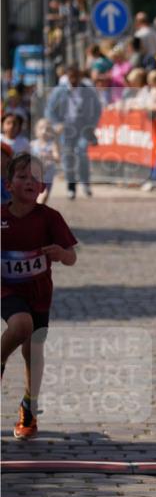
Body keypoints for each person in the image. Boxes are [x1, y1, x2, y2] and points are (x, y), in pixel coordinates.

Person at [1, 153, 78, 438]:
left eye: (35, 178)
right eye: (22, 177)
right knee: (21, 326)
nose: (29, 182)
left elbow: (71, 257)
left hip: (39, 293)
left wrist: (61, 254)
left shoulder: (50, 218)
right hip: (6, 289)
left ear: (43, 187)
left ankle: (29, 408)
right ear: (9, 185)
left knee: (33, 349)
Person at [45, 64, 101, 199]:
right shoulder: (59, 91)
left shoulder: (88, 91)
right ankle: (71, 186)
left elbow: (97, 108)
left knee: (82, 153)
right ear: (67, 76)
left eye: (76, 76)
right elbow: (50, 109)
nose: (74, 80)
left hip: (83, 128)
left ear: (80, 76)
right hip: (66, 129)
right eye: (71, 77)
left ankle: (85, 183)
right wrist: (56, 123)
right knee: (68, 158)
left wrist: (92, 125)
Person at [30, 119, 60, 204]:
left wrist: (50, 156)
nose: (44, 131)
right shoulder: (32, 144)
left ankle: (36, 214)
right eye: (41, 128)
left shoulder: (52, 145)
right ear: (36, 130)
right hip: (35, 177)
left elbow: (57, 158)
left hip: (48, 177)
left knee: (43, 200)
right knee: (41, 196)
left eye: (47, 129)